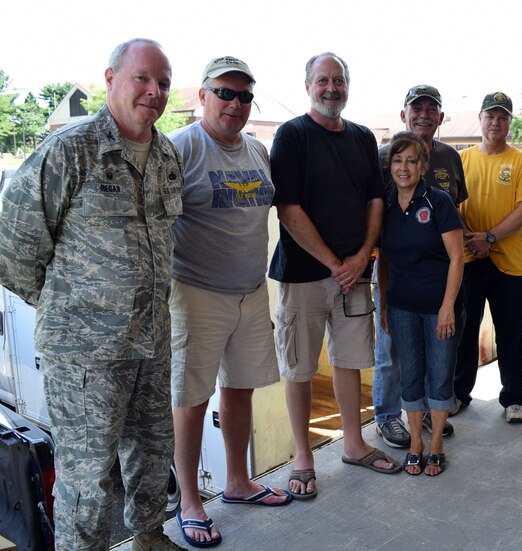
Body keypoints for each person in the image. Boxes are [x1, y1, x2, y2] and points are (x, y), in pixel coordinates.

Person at [0, 39, 185, 551]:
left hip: (151, 342)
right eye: (142, 78)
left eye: (163, 83)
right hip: (85, 355)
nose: (154, 91)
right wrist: (68, 308)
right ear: (110, 79)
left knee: (152, 452)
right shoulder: (70, 149)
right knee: (87, 478)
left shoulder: (166, 154)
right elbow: (12, 242)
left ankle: (149, 536)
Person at [168, 56, 292, 548]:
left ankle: (237, 483)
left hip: (250, 290)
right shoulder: (181, 148)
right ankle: (190, 502)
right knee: (190, 399)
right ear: (202, 96)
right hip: (195, 292)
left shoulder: (258, 151)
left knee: (239, 389)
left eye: (244, 95)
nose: (235, 104)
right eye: (225, 92)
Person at [270, 52, 401, 500]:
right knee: (300, 368)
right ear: (308, 85)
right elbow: (288, 207)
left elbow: (375, 202)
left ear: (348, 86)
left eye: (339, 80)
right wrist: (335, 262)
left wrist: (363, 256)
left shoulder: (363, 138)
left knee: (350, 362)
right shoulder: (291, 135)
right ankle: (303, 456)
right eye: (323, 80)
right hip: (305, 275)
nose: (332, 88)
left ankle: (353, 442)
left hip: (355, 274)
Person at [373, 84, 467, 448]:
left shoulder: (450, 159)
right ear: (404, 114)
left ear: (441, 117)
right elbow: (376, 214)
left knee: (435, 355)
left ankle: (429, 411)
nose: (424, 114)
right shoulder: (383, 157)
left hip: (436, 275)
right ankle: (386, 416)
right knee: (391, 352)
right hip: (396, 278)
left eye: (431, 109)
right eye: (417, 108)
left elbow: (457, 214)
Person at [453, 92, 522, 423]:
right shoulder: (462, 160)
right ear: (480, 119)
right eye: (490, 116)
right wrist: (472, 239)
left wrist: (489, 237)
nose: (496, 122)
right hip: (469, 259)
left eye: (502, 117)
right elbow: (451, 206)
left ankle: (513, 398)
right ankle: (459, 393)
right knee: (464, 331)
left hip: (510, 263)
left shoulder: (521, 162)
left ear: (509, 123)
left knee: (511, 332)